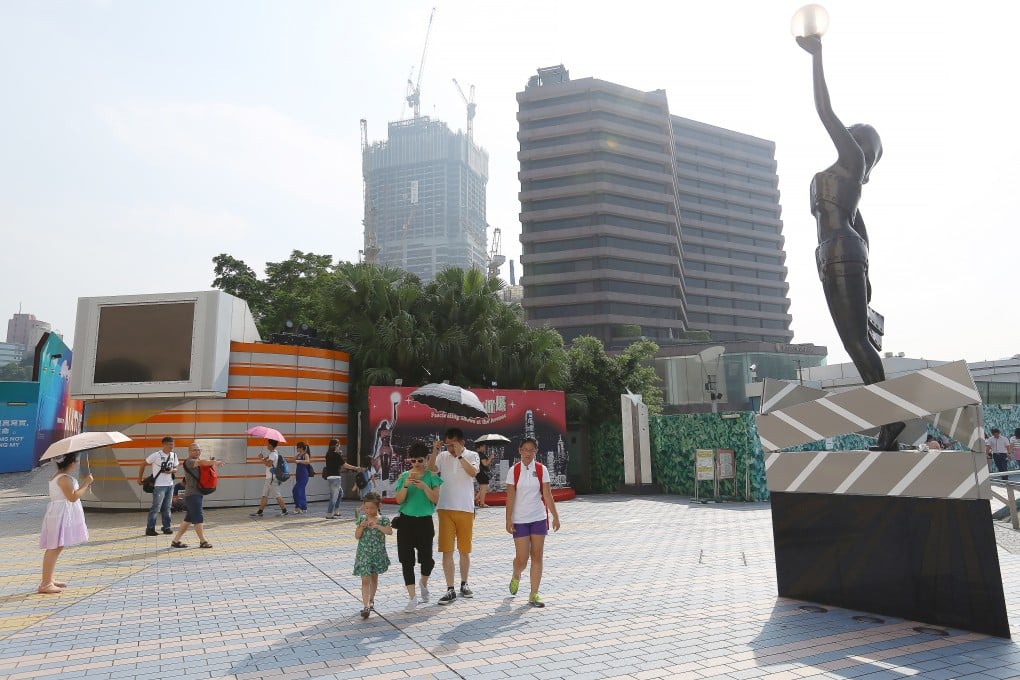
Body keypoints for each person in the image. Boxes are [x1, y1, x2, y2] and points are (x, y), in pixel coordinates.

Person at [796, 33, 903, 451]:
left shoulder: (852, 161)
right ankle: (888, 421)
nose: (849, 130)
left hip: (839, 249)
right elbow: (863, 231)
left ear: (863, 145)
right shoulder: (844, 176)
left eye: (856, 132)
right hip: (834, 252)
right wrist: (868, 277)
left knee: (856, 341)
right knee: (853, 340)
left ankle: (890, 421)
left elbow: (824, 111)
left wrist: (816, 55)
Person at [505, 436, 561, 608]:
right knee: (522, 559)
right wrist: (508, 519)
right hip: (520, 520)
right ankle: (516, 574)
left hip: (538, 517)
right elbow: (510, 497)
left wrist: (555, 516)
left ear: (536, 451)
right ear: (519, 451)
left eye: (532, 450)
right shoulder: (513, 471)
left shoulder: (541, 469)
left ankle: (533, 594)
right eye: (525, 450)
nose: (528, 453)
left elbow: (547, 494)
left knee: (537, 556)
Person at [428, 427, 480, 605]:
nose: (450, 448)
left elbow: (473, 473)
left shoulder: (472, 455)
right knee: (447, 550)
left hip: (465, 508)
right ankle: (449, 589)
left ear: (462, 443)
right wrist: (435, 452)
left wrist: (459, 456)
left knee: (464, 550)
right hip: (445, 508)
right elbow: (430, 469)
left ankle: (464, 583)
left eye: (453, 445)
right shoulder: (442, 456)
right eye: (447, 445)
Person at [394, 440, 442, 612]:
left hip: (424, 522)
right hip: (406, 522)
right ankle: (412, 598)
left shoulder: (431, 476)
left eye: (420, 460)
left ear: (426, 459)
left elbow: (436, 499)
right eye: (413, 461)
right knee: (406, 561)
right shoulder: (404, 476)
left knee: (427, 560)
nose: (416, 464)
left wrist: (423, 486)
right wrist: (406, 485)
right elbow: (399, 500)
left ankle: (423, 582)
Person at [38, 452, 92, 594]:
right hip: (60, 514)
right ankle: (46, 583)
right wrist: (86, 483)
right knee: (54, 547)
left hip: (59, 513)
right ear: (71, 462)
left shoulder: (59, 476)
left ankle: (48, 578)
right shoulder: (64, 479)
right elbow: (72, 497)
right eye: (76, 460)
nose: (77, 463)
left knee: (56, 546)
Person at [171, 442, 225, 549]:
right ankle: (203, 541)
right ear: (189, 452)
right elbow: (202, 462)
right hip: (193, 495)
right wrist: (215, 462)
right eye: (194, 450)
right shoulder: (189, 461)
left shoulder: (197, 461)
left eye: (199, 450)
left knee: (188, 520)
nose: (197, 451)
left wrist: (211, 462)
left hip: (196, 494)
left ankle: (175, 541)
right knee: (198, 518)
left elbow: (204, 464)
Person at [353, 492, 392, 619]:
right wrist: (361, 527)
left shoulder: (383, 519)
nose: (369, 511)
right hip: (364, 554)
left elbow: (389, 531)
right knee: (365, 580)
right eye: (366, 508)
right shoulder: (362, 519)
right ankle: (366, 606)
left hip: (377, 554)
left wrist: (377, 526)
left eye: (372, 508)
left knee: (374, 578)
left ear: (379, 506)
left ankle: (371, 599)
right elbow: (357, 536)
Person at [137, 436, 179, 536]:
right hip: (159, 485)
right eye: (169, 444)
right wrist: (140, 478)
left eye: (172, 444)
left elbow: (176, 467)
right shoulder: (156, 455)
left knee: (167, 507)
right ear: (163, 444)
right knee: (156, 507)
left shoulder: (174, 455)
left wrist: (172, 471)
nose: (171, 446)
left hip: (170, 485)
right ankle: (150, 528)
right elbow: (143, 464)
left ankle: (166, 527)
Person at [323, 439, 363, 519]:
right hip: (335, 477)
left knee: (340, 493)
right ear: (336, 445)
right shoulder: (336, 455)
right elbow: (344, 465)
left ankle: (336, 511)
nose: (339, 446)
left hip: (330, 477)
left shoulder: (328, 454)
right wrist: (355, 468)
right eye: (339, 445)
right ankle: (329, 513)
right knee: (334, 496)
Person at [250, 439, 288, 518]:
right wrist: (262, 458)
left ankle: (285, 510)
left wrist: (261, 459)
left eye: (268, 444)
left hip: (271, 478)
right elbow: (267, 461)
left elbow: (268, 464)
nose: (267, 445)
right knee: (265, 495)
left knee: (277, 495)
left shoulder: (273, 454)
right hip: (269, 478)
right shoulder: (274, 453)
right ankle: (260, 511)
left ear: (270, 445)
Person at [292, 441, 314, 514]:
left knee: (296, 490)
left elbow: (307, 461)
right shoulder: (298, 455)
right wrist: (281, 458)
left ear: (301, 448)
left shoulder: (305, 454)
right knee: (301, 491)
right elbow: (292, 460)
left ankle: (299, 507)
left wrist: (299, 461)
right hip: (298, 475)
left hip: (304, 475)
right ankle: (304, 507)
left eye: (297, 447)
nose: (296, 448)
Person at [475, 442, 493, 508]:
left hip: (478, 473)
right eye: (484, 447)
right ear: (480, 447)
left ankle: (476, 499)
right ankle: (482, 503)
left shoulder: (476, 454)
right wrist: (490, 458)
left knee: (482, 488)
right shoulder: (481, 454)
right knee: (484, 488)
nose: (485, 448)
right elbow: (485, 464)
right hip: (483, 473)